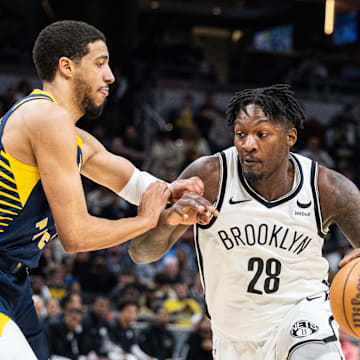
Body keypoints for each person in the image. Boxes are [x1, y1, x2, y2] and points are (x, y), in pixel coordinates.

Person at [0, 20, 216, 360]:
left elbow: (130, 181)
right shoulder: (46, 119)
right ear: (67, 67)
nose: (111, 76)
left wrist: (173, 192)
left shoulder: (72, 136)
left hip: (13, 281)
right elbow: (75, 235)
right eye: (100, 63)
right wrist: (145, 221)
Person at [128, 84, 360, 359]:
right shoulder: (209, 177)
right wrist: (169, 219)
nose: (248, 144)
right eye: (241, 134)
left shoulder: (328, 188)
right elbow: (140, 253)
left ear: (290, 137)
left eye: (262, 134)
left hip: (303, 316)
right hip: (233, 338)